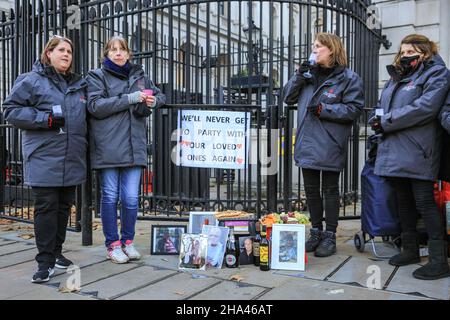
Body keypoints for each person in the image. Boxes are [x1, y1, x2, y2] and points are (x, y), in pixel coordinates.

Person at [3, 35, 87, 283]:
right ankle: (45, 262)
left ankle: (57, 253)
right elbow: (10, 110)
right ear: (48, 53)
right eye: (61, 50)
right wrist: (45, 119)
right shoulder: (31, 80)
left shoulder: (78, 84)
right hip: (43, 157)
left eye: (69, 52)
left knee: (63, 210)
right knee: (46, 209)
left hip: (72, 158)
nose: (66, 55)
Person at [371, 34, 450, 280]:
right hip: (394, 148)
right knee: (403, 202)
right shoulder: (398, 76)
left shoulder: (437, 73)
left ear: (425, 52)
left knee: (425, 203)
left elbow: (425, 108)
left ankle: (439, 260)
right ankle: (410, 249)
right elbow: (384, 106)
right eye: (403, 51)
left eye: (411, 51)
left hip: (419, 149)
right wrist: (378, 121)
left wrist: (387, 121)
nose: (405, 55)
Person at [283, 33, 364, 257]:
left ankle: (330, 236)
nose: (314, 49)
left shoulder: (348, 78)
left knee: (330, 190)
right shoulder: (307, 74)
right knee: (310, 190)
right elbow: (287, 97)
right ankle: (316, 232)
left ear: (332, 49)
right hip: (307, 140)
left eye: (318, 46)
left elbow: (354, 109)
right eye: (313, 46)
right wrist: (299, 74)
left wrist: (323, 110)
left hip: (330, 141)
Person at [86, 36, 166, 263]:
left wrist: (155, 102)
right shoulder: (97, 76)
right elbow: (95, 106)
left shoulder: (139, 76)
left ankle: (127, 242)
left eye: (122, 49)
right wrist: (129, 98)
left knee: (131, 198)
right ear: (106, 54)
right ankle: (112, 244)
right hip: (108, 146)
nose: (118, 53)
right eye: (113, 50)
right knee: (110, 196)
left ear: (129, 54)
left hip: (135, 145)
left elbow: (161, 95)